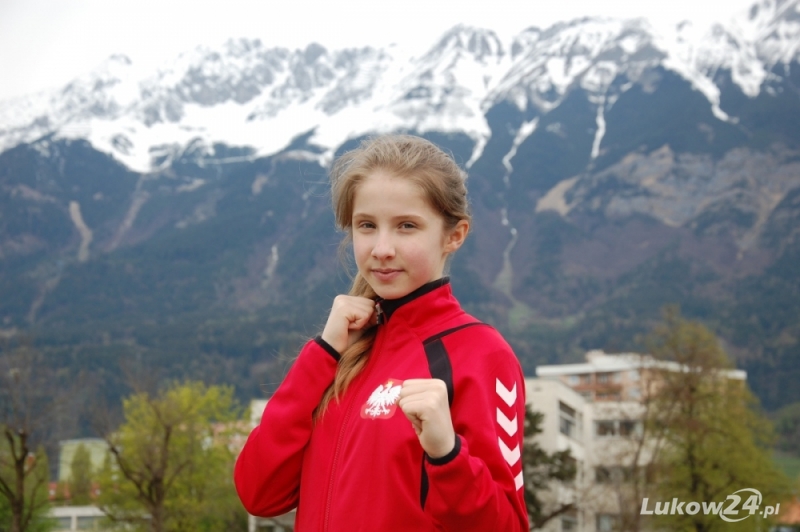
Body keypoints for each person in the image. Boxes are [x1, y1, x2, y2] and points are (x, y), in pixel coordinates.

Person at [234, 134, 528, 531]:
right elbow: (259, 494)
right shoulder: (341, 350)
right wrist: (321, 354)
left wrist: (447, 454)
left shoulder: (480, 354)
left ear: (454, 235)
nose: (382, 248)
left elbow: (507, 525)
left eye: (407, 226)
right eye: (367, 225)